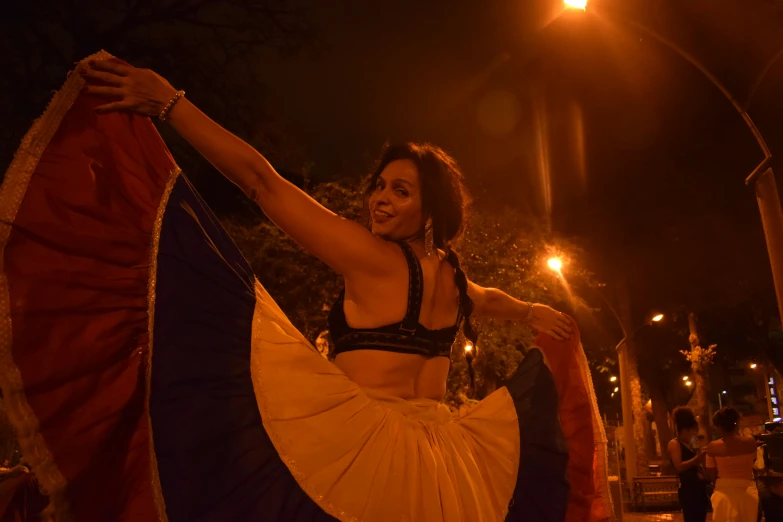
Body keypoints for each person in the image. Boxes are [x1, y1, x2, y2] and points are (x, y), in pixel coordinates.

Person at [0, 52, 611, 521]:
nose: (378, 199)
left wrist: (171, 104)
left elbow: (262, 183)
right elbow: (490, 301)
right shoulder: (452, 275)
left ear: (430, 211)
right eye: (380, 185)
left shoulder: (371, 258)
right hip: (452, 462)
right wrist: (532, 308)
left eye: (400, 190)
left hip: (367, 453)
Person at [705, 407, 759, 522]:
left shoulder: (713, 447)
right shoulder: (750, 441)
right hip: (747, 488)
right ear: (736, 423)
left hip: (723, 490)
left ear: (719, 426)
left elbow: (711, 472)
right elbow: (753, 461)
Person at [667, 407, 709, 522]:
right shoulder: (674, 444)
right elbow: (679, 466)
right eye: (693, 431)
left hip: (699, 488)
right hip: (688, 489)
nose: (694, 434)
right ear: (685, 429)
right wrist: (697, 459)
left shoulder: (690, 445)